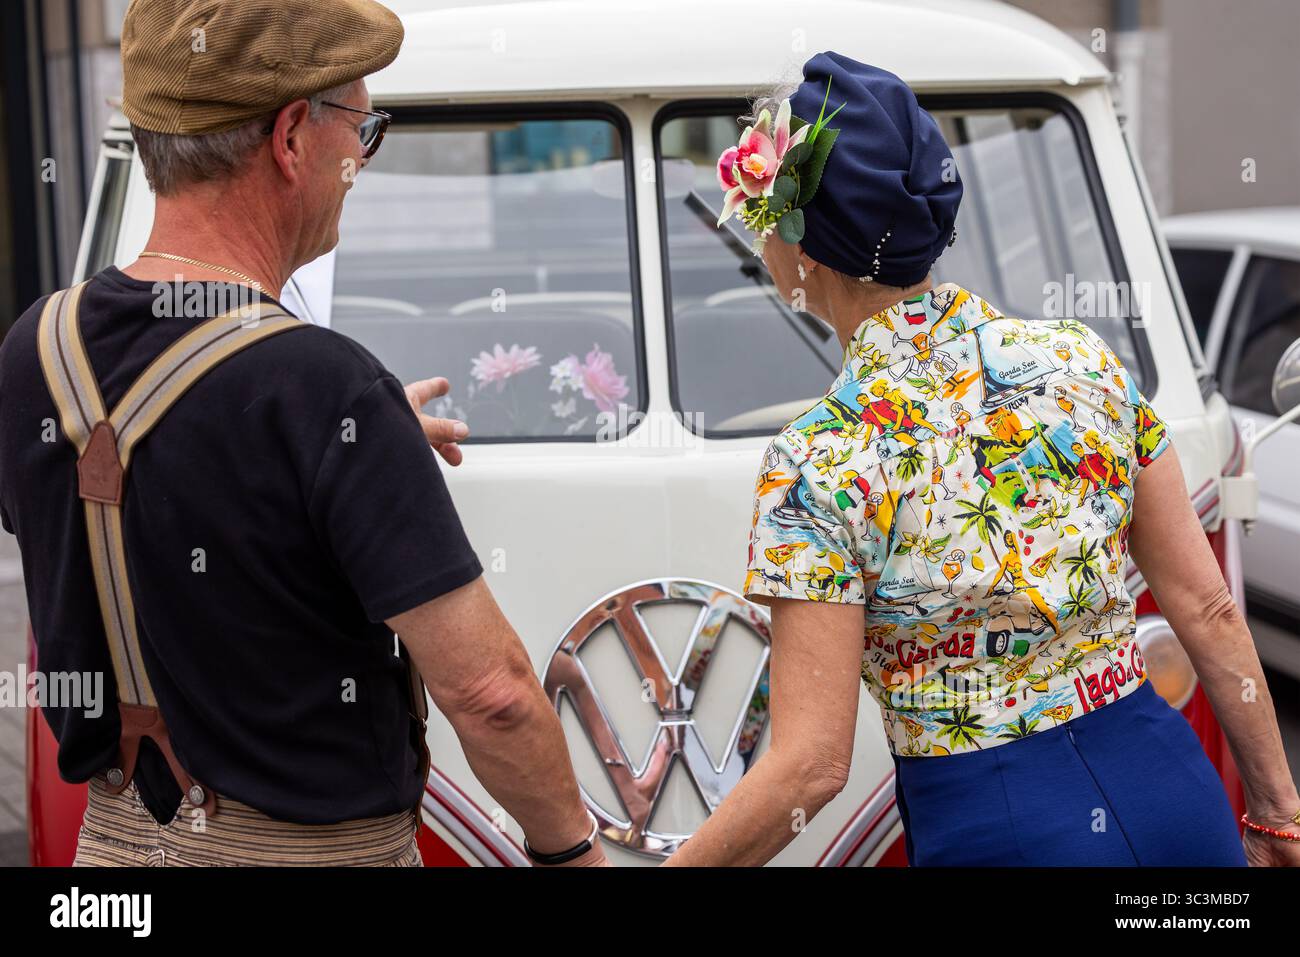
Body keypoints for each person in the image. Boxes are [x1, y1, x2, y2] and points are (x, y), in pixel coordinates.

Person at [0, 0, 604, 867]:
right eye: (363, 128)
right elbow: (491, 693)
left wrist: (338, 452)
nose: (360, 155)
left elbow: (144, 495)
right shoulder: (327, 389)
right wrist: (568, 851)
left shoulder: (35, 349)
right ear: (291, 139)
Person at [665, 51, 1300, 866]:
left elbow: (810, 766)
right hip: (1170, 789)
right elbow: (1208, 610)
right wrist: (1279, 811)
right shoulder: (1083, 363)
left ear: (804, 248)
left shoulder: (821, 459)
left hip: (1001, 828)